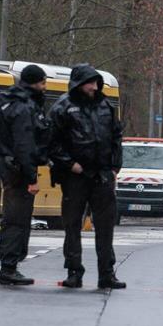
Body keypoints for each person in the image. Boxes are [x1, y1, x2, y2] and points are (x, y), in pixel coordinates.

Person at [48, 64, 125, 289]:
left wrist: (114, 167)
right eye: (89, 82)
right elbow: (51, 142)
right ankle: (74, 271)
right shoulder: (63, 107)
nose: (93, 87)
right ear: (78, 84)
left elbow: (116, 136)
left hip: (102, 174)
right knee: (72, 225)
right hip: (75, 176)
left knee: (105, 226)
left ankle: (106, 273)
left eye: (95, 82)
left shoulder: (105, 106)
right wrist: (70, 165)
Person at [0, 64, 51, 286]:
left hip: (11, 167)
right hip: (19, 171)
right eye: (42, 83)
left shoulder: (9, 103)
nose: (45, 88)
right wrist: (31, 178)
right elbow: (24, 144)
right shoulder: (22, 108)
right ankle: (9, 268)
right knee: (17, 220)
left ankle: (11, 265)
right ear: (33, 83)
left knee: (15, 219)